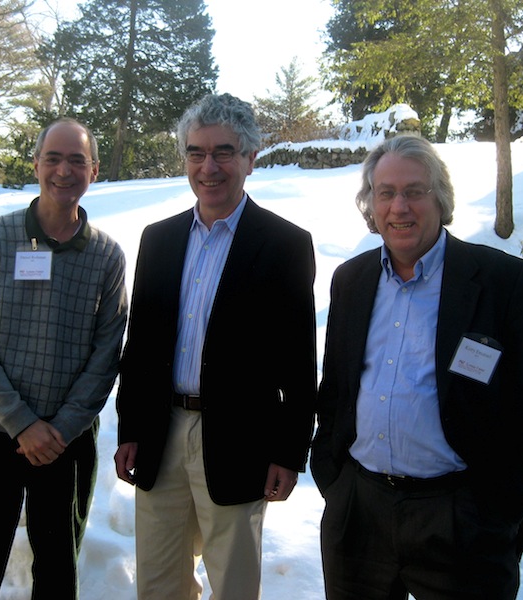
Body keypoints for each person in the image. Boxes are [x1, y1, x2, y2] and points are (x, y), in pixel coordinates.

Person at [310, 134, 523, 600]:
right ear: (371, 204)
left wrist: (494, 515)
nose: (399, 207)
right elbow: (337, 392)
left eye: (414, 191)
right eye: (385, 193)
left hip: (461, 521)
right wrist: (336, 484)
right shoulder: (352, 280)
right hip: (359, 517)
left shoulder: (501, 281)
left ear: (440, 199)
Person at [114, 93, 317, 600]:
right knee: (158, 583)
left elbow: (298, 362)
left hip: (241, 439)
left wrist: (290, 451)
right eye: (196, 152)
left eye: (224, 151)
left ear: (250, 158)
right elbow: (140, 347)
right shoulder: (157, 239)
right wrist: (131, 428)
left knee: (233, 583)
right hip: (162, 437)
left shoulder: (285, 244)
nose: (209, 166)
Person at [0, 118, 128, 599]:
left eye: (77, 160)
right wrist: (22, 423)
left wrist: (62, 427)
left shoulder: (107, 257)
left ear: (93, 171)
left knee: (56, 572)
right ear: (36, 165)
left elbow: (106, 353)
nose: (63, 170)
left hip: (65, 444)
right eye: (53, 158)